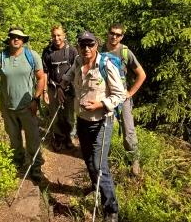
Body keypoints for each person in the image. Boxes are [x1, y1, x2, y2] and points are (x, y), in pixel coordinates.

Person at [58, 31, 126, 222]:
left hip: (102, 122)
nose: (86, 48)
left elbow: (120, 94)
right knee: (88, 161)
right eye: (83, 45)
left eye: (90, 44)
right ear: (78, 46)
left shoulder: (106, 65)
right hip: (82, 121)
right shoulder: (78, 62)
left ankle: (111, 209)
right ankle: (97, 187)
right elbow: (68, 77)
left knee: (99, 165)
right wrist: (61, 87)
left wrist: (101, 104)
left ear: (97, 45)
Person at [0, 26, 45, 182]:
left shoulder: (32, 56)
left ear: (23, 40)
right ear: (8, 39)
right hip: (7, 108)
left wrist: (36, 99)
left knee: (33, 139)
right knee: (14, 139)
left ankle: (35, 167)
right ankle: (18, 163)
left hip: (28, 107)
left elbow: (41, 78)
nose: (16, 39)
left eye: (19, 37)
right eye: (13, 36)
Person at [103, 23, 146, 176]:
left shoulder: (125, 52)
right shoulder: (100, 50)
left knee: (128, 130)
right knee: (103, 129)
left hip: (122, 98)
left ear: (122, 37)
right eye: (112, 33)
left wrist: (130, 92)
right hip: (104, 97)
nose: (114, 36)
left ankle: (134, 160)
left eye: (118, 34)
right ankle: (102, 160)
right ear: (108, 33)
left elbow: (141, 74)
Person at [42, 25, 78, 151]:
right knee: (55, 115)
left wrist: (67, 86)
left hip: (69, 88)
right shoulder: (47, 52)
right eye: (54, 36)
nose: (56, 38)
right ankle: (58, 137)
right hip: (53, 87)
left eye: (59, 35)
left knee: (69, 116)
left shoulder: (72, 51)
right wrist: (45, 91)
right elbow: (45, 72)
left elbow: (77, 70)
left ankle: (70, 137)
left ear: (64, 35)